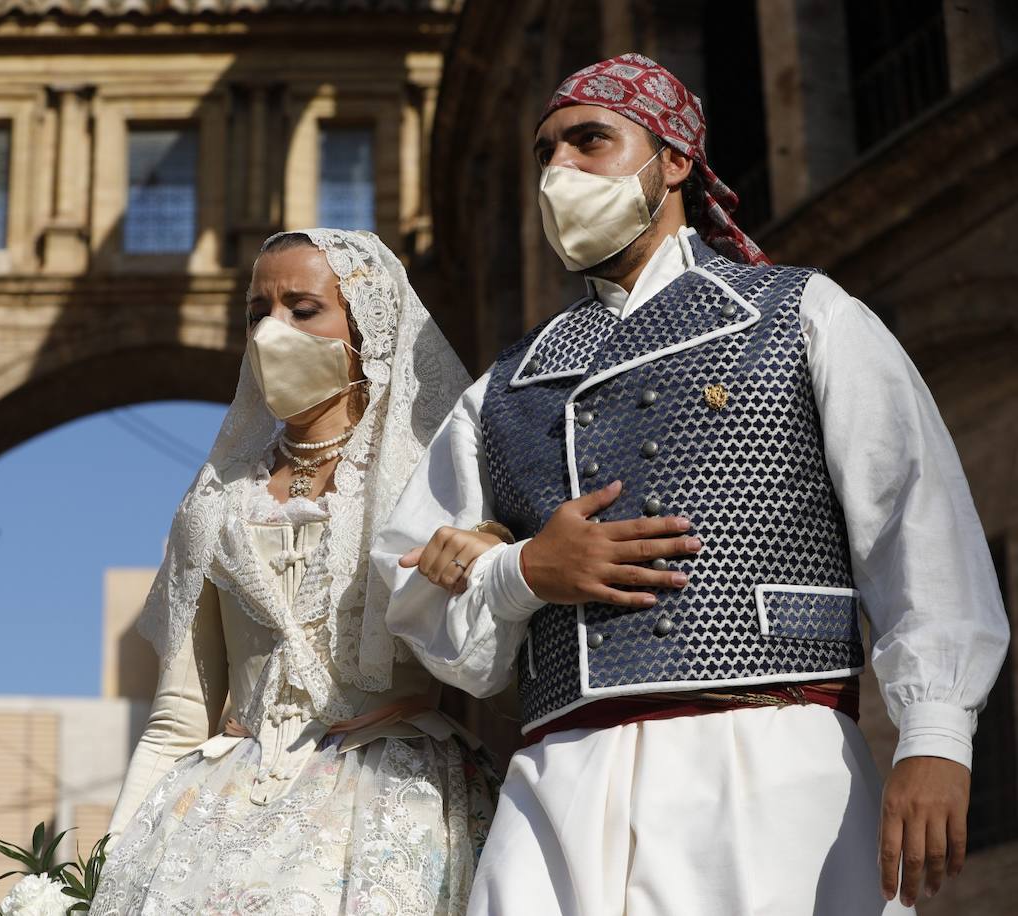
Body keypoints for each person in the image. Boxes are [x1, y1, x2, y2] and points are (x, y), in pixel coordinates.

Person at [373, 53, 1009, 915]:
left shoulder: (803, 314)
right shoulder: (502, 390)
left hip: (769, 772)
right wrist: (523, 572)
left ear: (673, 159)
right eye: (546, 153)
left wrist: (935, 736)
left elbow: (918, 523)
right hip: (559, 785)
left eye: (590, 141)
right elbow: (415, 591)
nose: (560, 171)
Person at [90, 228, 499, 915]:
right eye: (258, 312)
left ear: (365, 326)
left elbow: (494, 672)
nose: (272, 331)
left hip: (395, 809)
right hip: (220, 818)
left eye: (302, 308)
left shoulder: (429, 480)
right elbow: (177, 718)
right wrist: (107, 874)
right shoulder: (216, 500)